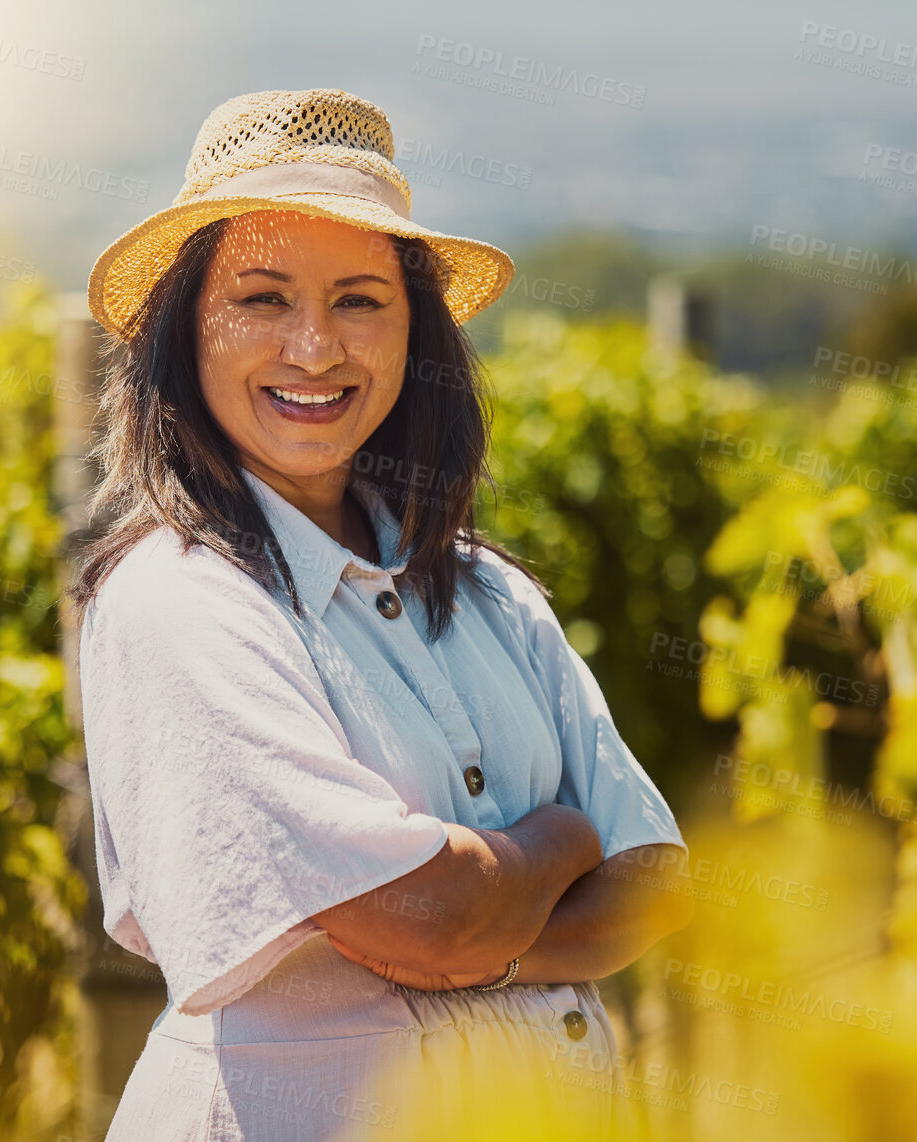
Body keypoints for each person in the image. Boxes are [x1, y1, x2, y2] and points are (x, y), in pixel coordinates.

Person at [69, 87, 692, 1141]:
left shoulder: (494, 592)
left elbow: (652, 885)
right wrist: (558, 840)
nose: (314, 347)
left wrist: (467, 915)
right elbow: (428, 915)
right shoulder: (177, 600)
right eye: (261, 298)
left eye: (359, 299)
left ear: (414, 336)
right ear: (187, 330)